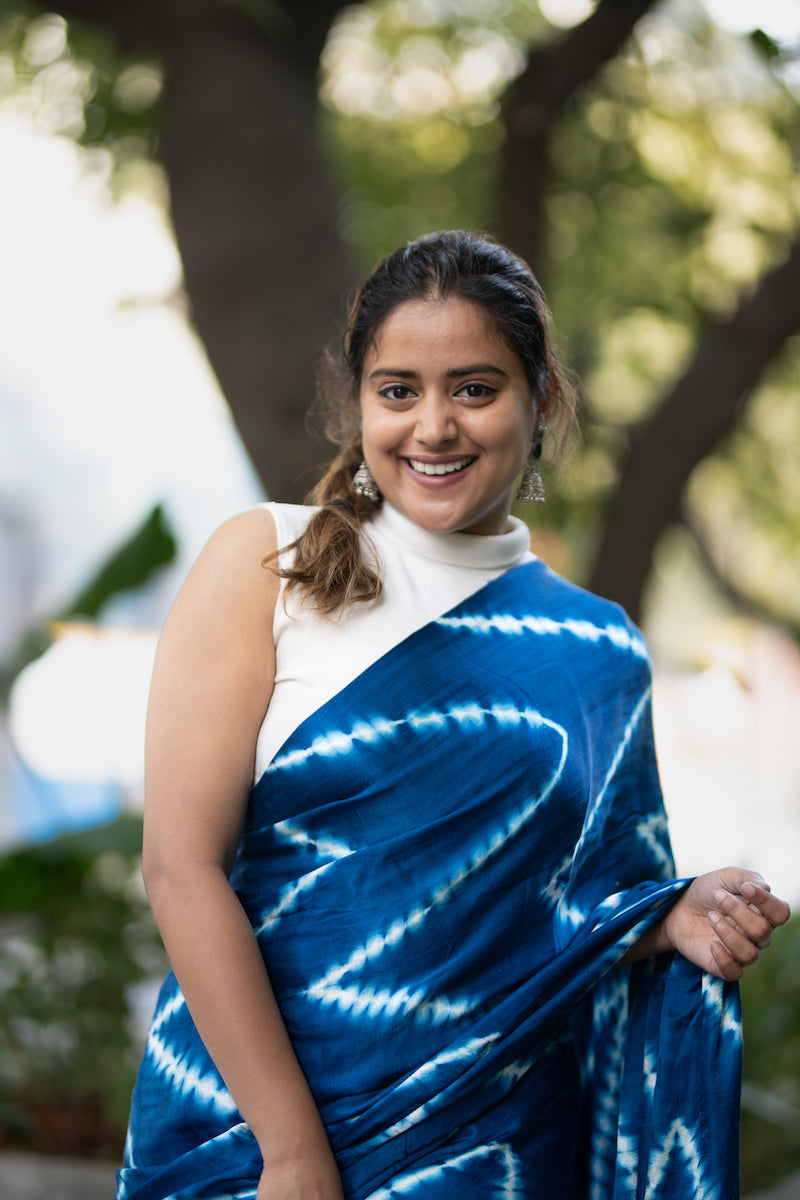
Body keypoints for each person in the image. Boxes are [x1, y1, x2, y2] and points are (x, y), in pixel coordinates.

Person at [116, 231, 789, 1200]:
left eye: (474, 389)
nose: (432, 426)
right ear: (360, 402)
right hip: (244, 1139)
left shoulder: (598, 650)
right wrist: (293, 1153)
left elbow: (579, 921)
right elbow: (180, 869)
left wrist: (669, 916)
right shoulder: (267, 566)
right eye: (398, 391)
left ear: (540, 401)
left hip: (492, 1149)